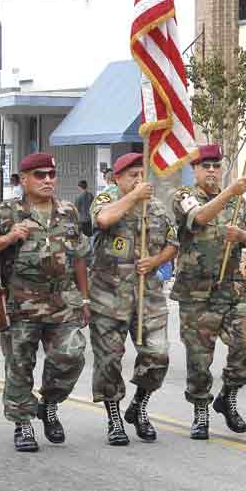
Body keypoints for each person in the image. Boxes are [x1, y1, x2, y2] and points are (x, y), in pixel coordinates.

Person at [0, 153, 90, 453]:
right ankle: (23, 423)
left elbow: (78, 257)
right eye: (40, 175)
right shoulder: (5, 212)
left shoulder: (68, 212)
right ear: (24, 180)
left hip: (62, 301)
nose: (48, 180)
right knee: (19, 365)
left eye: (51, 174)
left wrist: (85, 298)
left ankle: (49, 403)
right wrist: (9, 237)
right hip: (20, 304)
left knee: (72, 355)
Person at [89, 153, 178, 446]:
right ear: (117, 179)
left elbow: (172, 243)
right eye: (131, 176)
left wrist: (155, 261)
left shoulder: (156, 208)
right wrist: (133, 197)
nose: (139, 180)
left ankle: (139, 405)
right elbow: (104, 220)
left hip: (147, 296)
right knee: (109, 361)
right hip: (108, 296)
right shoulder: (106, 200)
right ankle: (114, 417)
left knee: (158, 356)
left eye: (141, 175)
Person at [171, 144, 246, 440]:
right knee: (199, 357)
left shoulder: (238, 202)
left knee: (245, 347)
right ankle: (200, 410)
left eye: (216, 166)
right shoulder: (184, 196)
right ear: (194, 170)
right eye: (205, 166)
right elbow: (199, 218)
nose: (211, 170)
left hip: (230, 288)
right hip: (196, 292)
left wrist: (242, 236)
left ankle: (228, 396)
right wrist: (230, 192)